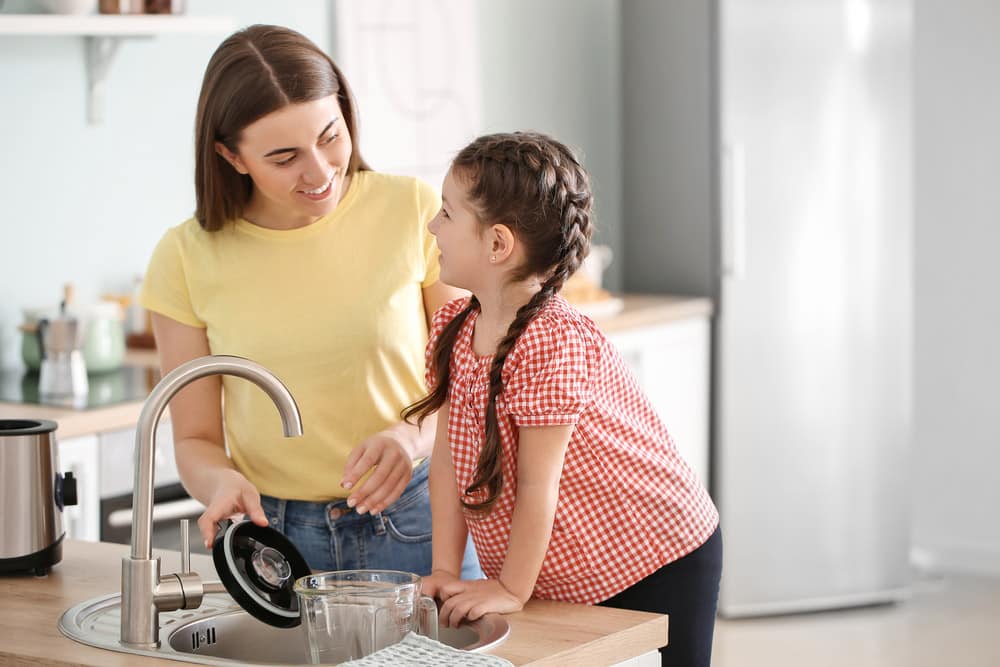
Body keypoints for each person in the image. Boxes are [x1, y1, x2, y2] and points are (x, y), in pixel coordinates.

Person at [140, 24, 481, 579]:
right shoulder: (185, 255)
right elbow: (197, 438)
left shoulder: (413, 210)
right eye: (284, 157)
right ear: (231, 155)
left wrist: (409, 435)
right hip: (275, 541)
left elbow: (468, 384)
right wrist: (219, 482)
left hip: (419, 518)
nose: (320, 172)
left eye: (330, 136)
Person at [404, 131, 722, 666]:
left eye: (447, 214)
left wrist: (511, 588)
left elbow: (537, 483)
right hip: (571, 566)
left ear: (497, 244)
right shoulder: (455, 328)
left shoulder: (551, 341)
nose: (433, 225)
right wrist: (443, 570)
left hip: (659, 554)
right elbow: (446, 461)